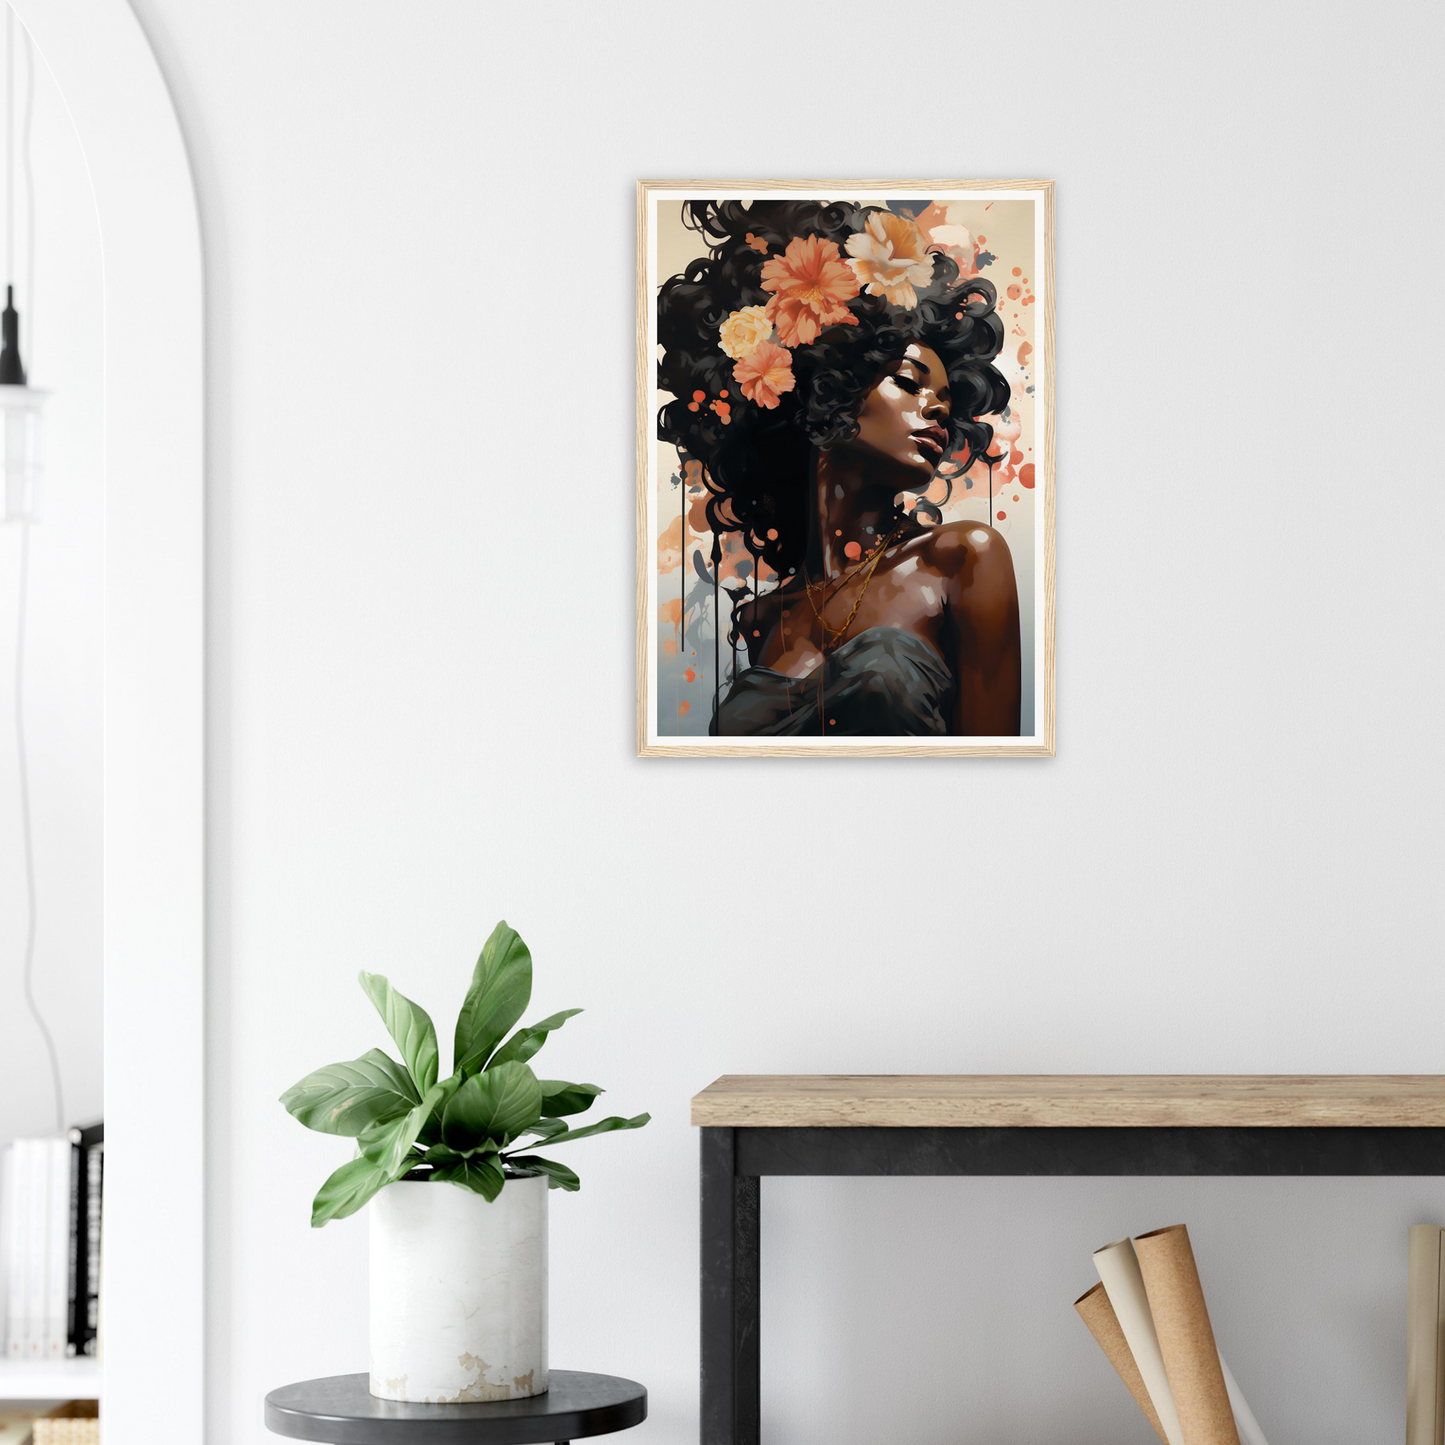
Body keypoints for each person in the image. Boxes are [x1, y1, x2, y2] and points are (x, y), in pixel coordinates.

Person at [657, 200, 1021, 738]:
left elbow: (995, 781)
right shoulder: (763, 619)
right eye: (911, 382)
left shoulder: (962, 559)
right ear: (829, 384)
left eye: (946, 397)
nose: (939, 407)